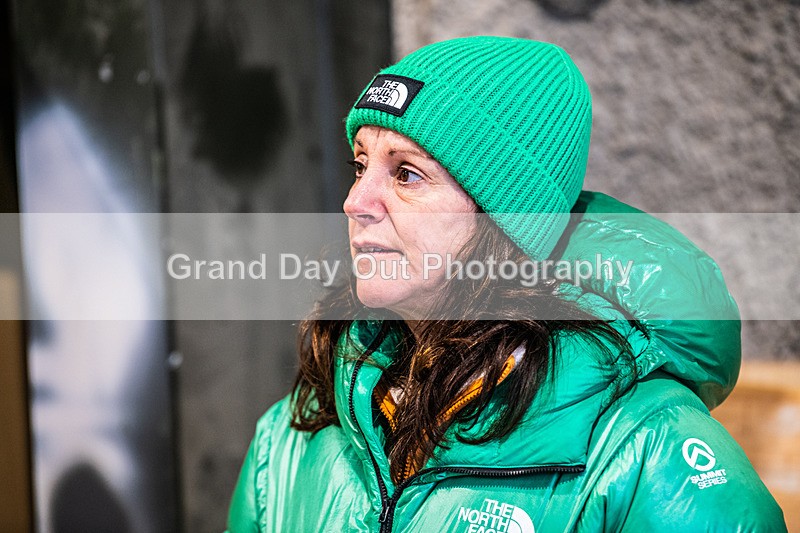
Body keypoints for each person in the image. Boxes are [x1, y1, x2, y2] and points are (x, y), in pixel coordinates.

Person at [226, 36, 786, 532]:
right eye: (360, 165)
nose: (355, 203)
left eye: (406, 174)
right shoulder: (295, 435)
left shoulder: (642, 451)